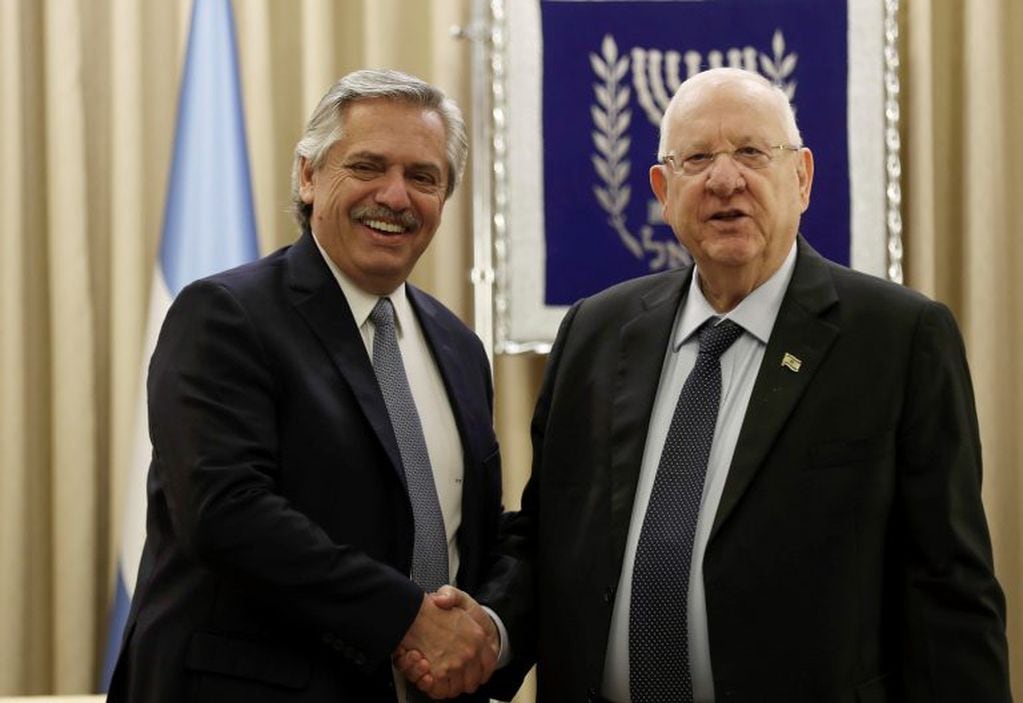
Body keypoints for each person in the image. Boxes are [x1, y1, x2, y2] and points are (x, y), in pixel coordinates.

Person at [476, 68, 1012, 702]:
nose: (724, 179)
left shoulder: (898, 338)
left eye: (752, 153)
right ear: (662, 190)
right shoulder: (596, 331)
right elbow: (548, 535)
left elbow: (949, 587)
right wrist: (486, 633)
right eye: (697, 158)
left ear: (803, 177)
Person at [108, 69, 505, 703]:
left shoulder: (460, 348)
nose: (396, 196)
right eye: (368, 166)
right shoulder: (225, 314)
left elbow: (473, 533)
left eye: (423, 177)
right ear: (309, 176)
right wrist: (408, 617)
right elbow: (227, 511)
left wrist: (484, 632)